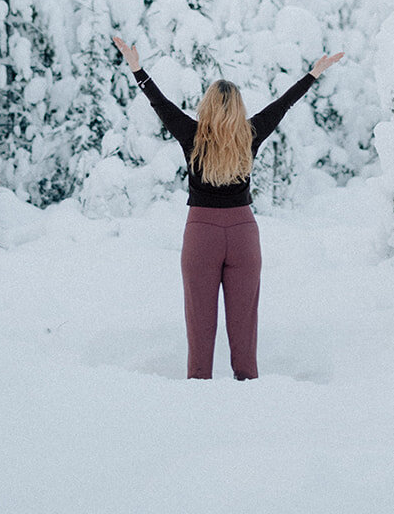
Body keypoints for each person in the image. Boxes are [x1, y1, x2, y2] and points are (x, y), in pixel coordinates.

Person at [111, 34, 344, 380]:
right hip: (243, 235)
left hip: (200, 234)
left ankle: (199, 389)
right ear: (239, 110)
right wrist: (313, 74)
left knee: (199, 323)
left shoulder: (191, 135)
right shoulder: (249, 135)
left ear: (206, 106)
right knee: (244, 325)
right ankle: (247, 389)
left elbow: (160, 104)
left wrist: (137, 69)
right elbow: (283, 104)